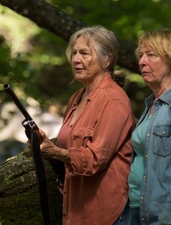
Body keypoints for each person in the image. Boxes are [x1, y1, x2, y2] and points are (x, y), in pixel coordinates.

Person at [31, 25, 135, 225]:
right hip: (76, 209)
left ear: (107, 59)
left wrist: (55, 152)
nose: (76, 60)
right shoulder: (77, 97)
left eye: (84, 53)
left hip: (106, 213)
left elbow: (95, 159)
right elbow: (71, 149)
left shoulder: (113, 100)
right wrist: (43, 145)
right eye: (74, 53)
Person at [119, 29, 171, 225]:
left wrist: (168, 219)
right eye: (141, 55)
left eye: (151, 55)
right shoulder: (152, 103)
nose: (142, 62)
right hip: (136, 210)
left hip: (165, 218)